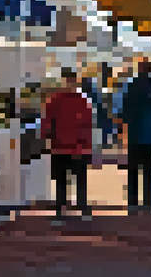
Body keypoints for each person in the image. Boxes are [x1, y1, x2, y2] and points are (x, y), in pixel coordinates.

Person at [43, 68, 94, 222]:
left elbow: (87, 124)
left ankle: (76, 208)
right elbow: (47, 121)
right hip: (64, 146)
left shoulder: (77, 99)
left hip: (71, 146)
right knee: (64, 180)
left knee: (71, 180)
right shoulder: (64, 99)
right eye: (68, 80)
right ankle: (64, 209)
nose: (69, 83)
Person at [121, 58, 151, 213]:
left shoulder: (132, 86)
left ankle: (132, 202)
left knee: (133, 170)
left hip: (134, 133)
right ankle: (147, 202)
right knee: (147, 171)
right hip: (149, 135)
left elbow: (125, 110)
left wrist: (124, 127)